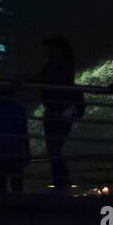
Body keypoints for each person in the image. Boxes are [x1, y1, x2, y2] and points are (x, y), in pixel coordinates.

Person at [36, 36, 83, 193]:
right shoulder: (62, 65)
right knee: (55, 151)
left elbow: (43, 79)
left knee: (54, 150)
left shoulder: (59, 66)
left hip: (58, 113)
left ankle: (62, 186)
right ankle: (62, 185)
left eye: (50, 48)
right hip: (60, 112)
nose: (46, 51)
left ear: (58, 49)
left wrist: (20, 79)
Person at [0, 85, 30, 194]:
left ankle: (1, 208)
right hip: (17, 150)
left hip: (0, 150)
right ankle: (16, 207)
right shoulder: (20, 108)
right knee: (17, 185)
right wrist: (27, 151)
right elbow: (24, 132)